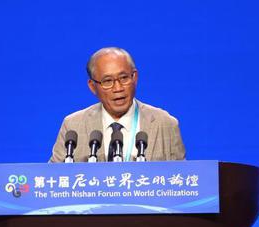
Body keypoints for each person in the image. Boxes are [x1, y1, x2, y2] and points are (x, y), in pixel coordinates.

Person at [49, 47, 186, 162]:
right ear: (92, 86)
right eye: (107, 81)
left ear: (135, 78)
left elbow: (183, 183)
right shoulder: (73, 125)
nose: (118, 88)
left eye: (124, 78)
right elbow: (53, 180)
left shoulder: (165, 123)